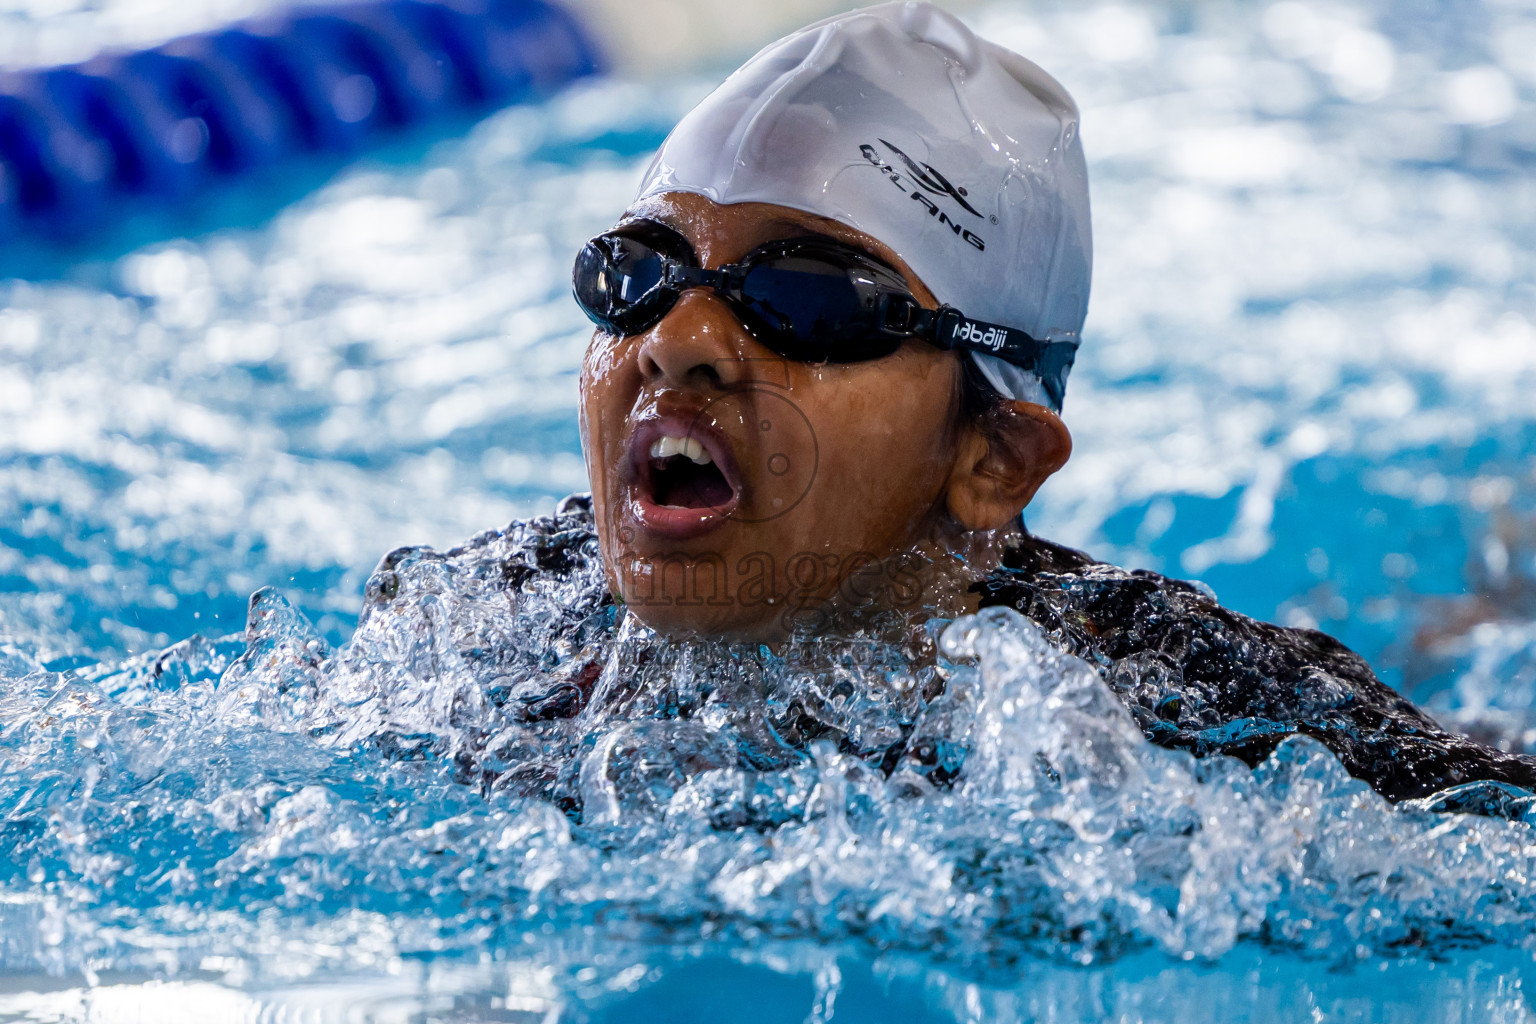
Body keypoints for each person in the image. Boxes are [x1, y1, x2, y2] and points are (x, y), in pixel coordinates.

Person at [549, 2, 1535, 805]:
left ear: (996, 461)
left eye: (809, 297)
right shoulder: (498, 630)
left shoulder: (1176, 713)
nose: (675, 343)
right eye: (640, 272)